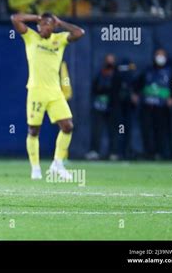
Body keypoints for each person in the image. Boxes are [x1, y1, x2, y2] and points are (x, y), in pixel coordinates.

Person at [11, 12, 85, 180]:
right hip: (36, 91)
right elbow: (15, 18)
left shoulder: (59, 39)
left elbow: (79, 32)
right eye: (41, 24)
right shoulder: (31, 38)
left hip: (55, 92)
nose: (43, 27)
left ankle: (57, 164)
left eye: (48, 24)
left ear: (53, 26)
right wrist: (37, 17)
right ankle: (35, 168)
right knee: (34, 130)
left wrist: (61, 22)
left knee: (67, 126)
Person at [133, 49, 172, 159]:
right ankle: (149, 153)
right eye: (158, 55)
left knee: (160, 130)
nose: (160, 58)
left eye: (162, 55)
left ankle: (160, 153)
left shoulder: (171, 72)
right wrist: (135, 93)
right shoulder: (148, 70)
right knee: (147, 130)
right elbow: (138, 83)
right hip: (147, 105)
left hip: (162, 106)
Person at [85, 54, 120, 160]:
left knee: (113, 130)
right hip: (99, 106)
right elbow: (95, 88)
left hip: (112, 107)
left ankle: (113, 152)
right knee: (97, 130)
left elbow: (117, 90)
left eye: (111, 61)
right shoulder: (100, 73)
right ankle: (94, 151)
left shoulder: (117, 74)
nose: (109, 63)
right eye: (108, 61)